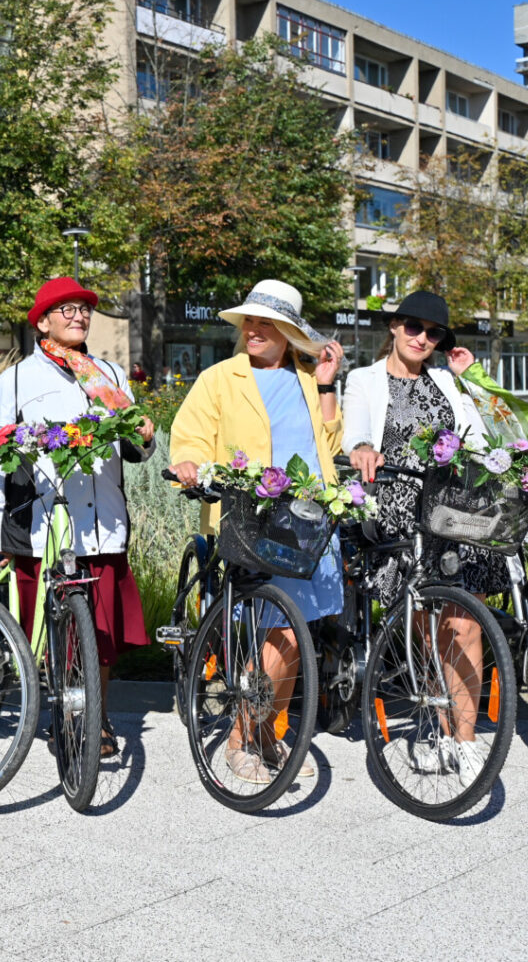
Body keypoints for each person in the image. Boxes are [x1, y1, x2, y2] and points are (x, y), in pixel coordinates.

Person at [169, 279, 345, 785]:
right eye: (250, 320)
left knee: (294, 635)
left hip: (309, 519)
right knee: (281, 632)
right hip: (251, 518)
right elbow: (191, 435)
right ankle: (243, 737)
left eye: (266, 323)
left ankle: (264, 733)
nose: (254, 329)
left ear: (289, 333)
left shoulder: (310, 378)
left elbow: (329, 447)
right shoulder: (220, 378)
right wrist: (188, 462)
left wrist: (329, 384)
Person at [0, 277, 156, 757]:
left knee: (100, 635)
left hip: (104, 524)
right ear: (43, 321)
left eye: (84, 309)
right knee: (55, 633)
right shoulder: (15, 379)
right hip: (43, 527)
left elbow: (137, 448)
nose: (79, 316)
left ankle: (92, 719)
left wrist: (145, 432)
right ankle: (65, 713)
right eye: (67, 309)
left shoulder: (111, 375)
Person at [343, 290, 499, 786]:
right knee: (426, 626)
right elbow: (356, 432)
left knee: (466, 623)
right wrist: (364, 448)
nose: (422, 339)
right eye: (413, 327)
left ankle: (466, 740)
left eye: (433, 333)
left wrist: (470, 379)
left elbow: (481, 438)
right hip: (399, 510)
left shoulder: (447, 381)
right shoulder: (364, 379)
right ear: (393, 326)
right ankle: (434, 724)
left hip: (451, 512)